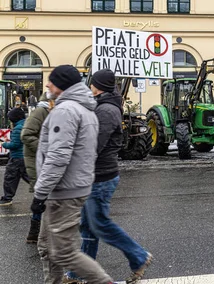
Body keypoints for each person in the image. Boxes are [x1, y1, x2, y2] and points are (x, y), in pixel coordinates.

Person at [64, 69, 152, 284]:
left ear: (98, 85)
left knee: (99, 224)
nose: (89, 86)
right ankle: (78, 273)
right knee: (88, 226)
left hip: (101, 176)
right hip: (94, 175)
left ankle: (139, 256)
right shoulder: (104, 106)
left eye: (92, 83)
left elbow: (93, 145)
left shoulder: (106, 110)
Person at [32, 65, 115, 284]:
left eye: (51, 80)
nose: (47, 84)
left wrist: (40, 193)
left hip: (63, 191)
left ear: (61, 85)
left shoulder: (66, 110)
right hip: (67, 188)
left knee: (62, 252)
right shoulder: (84, 108)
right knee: (46, 247)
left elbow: (58, 156)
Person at [21, 92, 53, 243]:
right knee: (42, 197)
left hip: (43, 162)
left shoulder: (49, 112)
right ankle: (35, 233)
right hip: (37, 162)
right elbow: (26, 135)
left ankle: (36, 234)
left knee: (43, 197)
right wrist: (45, 149)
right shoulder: (41, 111)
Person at [0, 107, 30, 206]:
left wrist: (4, 144)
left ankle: (7, 198)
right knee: (30, 177)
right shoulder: (26, 124)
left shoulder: (18, 128)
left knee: (10, 177)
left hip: (17, 157)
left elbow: (15, 145)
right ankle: (47, 191)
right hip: (25, 156)